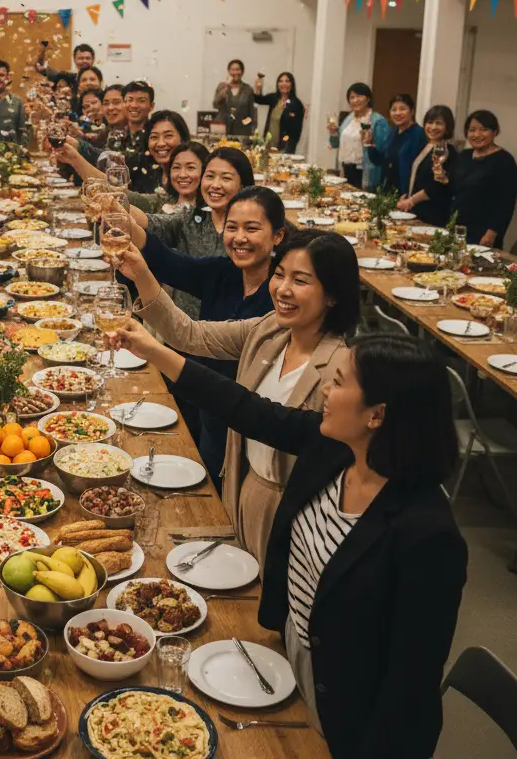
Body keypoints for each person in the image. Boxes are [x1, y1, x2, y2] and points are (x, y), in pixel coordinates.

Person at [107, 328, 465, 759]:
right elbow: (246, 408)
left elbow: (409, 685)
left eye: (339, 382)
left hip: (348, 712)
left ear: (377, 414)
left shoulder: (427, 535)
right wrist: (152, 349)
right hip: (285, 650)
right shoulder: (336, 449)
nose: (326, 393)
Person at [121, 228, 358, 563]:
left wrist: (155, 351)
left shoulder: (340, 369)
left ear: (332, 295)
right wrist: (142, 274)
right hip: (241, 486)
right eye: (279, 275)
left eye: (301, 281)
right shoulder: (269, 330)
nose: (283, 289)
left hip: (290, 510)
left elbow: (251, 412)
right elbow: (189, 334)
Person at [136, 186, 286, 484]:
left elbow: (191, 335)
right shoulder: (224, 272)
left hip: (253, 426)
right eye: (232, 227)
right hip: (208, 411)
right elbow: (168, 262)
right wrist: (122, 225)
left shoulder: (282, 300)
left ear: (278, 236)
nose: (239, 237)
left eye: (252, 228)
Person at [442, 109, 517, 247]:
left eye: (483, 129)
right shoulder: (464, 155)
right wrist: (443, 178)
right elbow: (453, 187)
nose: (477, 134)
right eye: (472, 130)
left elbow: (506, 203)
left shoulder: (504, 160)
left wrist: (492, 233)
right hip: (457, 228)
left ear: (495, 132)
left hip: (483, 233)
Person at [397, 105, 458, 227]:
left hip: (433, 213)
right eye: (430, 122)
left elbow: (436, 186)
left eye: (439, 123)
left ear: (447, 128)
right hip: (415, 209)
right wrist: (406, 198)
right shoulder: (424, 145)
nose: (433, 127)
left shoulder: (448, 151)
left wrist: (411, 201)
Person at [328, 82, 391, 190]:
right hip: (346, 169)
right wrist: (333, 133)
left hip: (366, 171)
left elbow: (383, 152)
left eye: (359, 96)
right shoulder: (348, 119)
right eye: (352, 97)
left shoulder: (378, 121)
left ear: (368, 99)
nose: (355, 100)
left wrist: (368, 143)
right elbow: (335, 144)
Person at [366, 93, 426, 195]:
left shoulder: (419, 134)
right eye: (394, 110)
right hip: (387, 190)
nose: (397, 113)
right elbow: (380, 161)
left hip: (406, 194)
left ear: (412, 111)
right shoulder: (392, 132)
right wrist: (369, 144)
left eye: (402, 109)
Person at [128, 140, 210, 214]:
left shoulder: (211, 211)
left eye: (191, 168)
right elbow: (133, 198)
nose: (182, 175)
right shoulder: (161, 201)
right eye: (176, 167)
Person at [130, 109, 191, 194]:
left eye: (168, 136)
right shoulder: (143, 173)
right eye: (154, 137)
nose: (161, 143)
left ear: (183, 139)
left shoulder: (190, 176)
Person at [254, 71, 305, 153]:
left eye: (287, 81)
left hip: (284, 148)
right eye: (280, 81)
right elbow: (258, 100)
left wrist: (288, 149)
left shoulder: (296, 105)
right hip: (268, 145)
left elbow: (296, 133)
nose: (283, 84)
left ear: (292, 84)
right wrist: (258, 88)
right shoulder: (274, 98)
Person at [214, 59, 257, 139]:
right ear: (229, 72)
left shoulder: (248, 89)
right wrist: (225, 88)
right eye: (232, 70)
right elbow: (215, 104)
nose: (235, 72)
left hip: (242, 131)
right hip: (223, 130)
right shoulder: (222, 86)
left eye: (238, 69)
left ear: (242, 72)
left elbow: (251, 113)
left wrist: (246, 125)